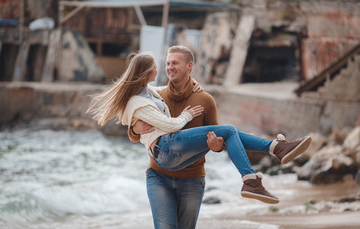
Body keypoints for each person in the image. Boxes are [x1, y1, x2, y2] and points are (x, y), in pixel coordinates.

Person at [87, 47, 311, 229]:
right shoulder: (158, 94)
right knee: (230, 130)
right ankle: (265, 160)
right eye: (166, 63)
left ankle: (272, 152)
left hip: (191, 177)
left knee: (228, 132)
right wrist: (134, 129)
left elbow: (221, 142)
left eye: (174, 63)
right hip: (160, 172)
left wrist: (216, 147)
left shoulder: (203, 99)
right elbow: (140, 127)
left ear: (189, 66)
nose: (168, 67)